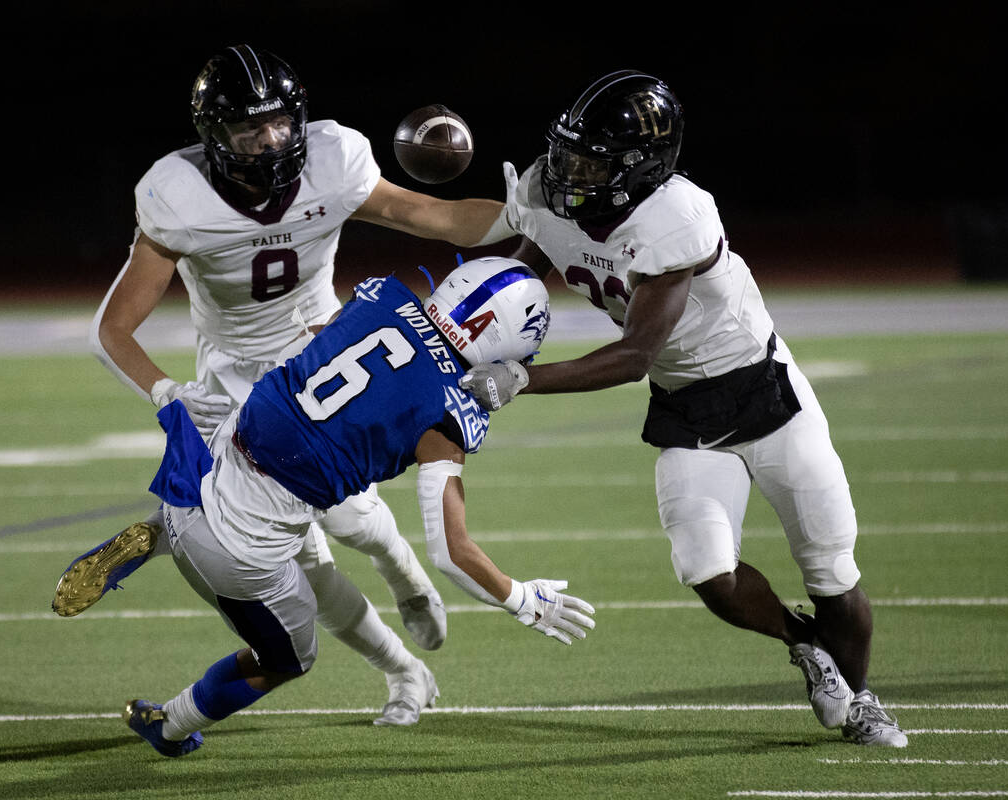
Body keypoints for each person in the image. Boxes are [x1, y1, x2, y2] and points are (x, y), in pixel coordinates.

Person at [54, 45, 517, 726]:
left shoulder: (335, 159)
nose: (269, 141)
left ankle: (399, 583)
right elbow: (112, 331)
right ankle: (402, 664)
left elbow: (435, 217)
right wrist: (163, 391)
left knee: (343, 520)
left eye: (278, 124)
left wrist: (531, 213)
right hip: (236, 372)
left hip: (323, 348)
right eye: (249, 130)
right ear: (214, 138)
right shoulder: (177, 195)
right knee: (295, 551)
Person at [457, 70, 907, 747]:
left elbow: (635, 353)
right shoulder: (549, 195)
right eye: (566, 153)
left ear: (641, 168)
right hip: (688, 409)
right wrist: (464, 327)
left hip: (766, 395)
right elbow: (518, 277)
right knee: (708, 572)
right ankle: (806, 647)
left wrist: (520, 377)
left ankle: (864, 697)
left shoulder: (678, 215)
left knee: (832, 573)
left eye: (590, 161)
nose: (568, 171)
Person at [87, 256, 594, 757]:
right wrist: (523, 600)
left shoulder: (383, 296)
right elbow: (452, 551)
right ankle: (171, 725)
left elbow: (318, 339)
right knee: (291, 654)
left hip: (200, 462)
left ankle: (161, 528)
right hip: (238, 550)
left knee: (318, 514)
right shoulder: (451, 413)